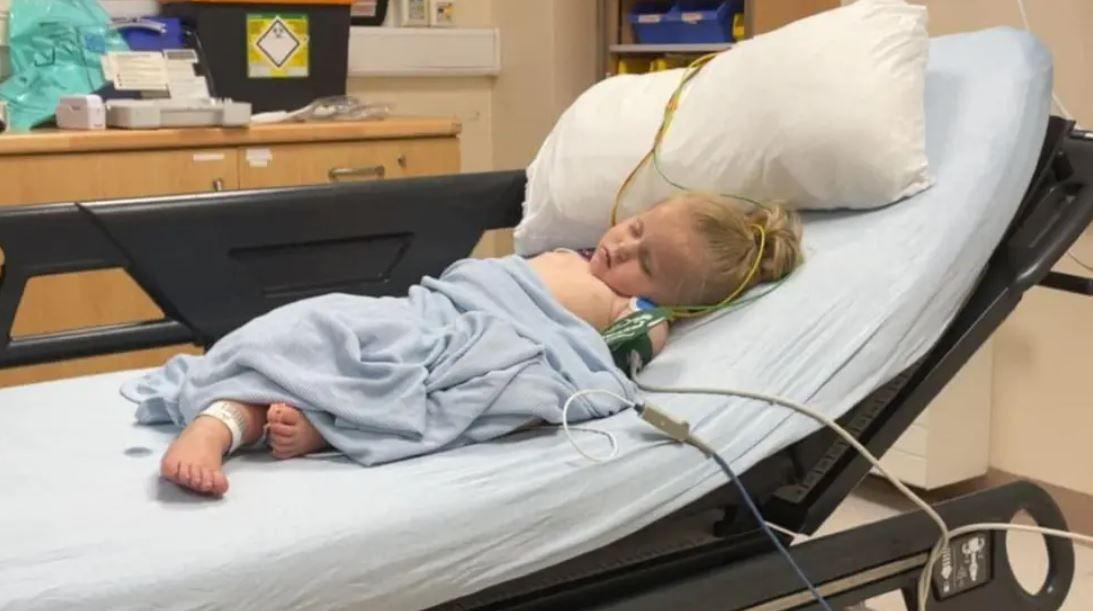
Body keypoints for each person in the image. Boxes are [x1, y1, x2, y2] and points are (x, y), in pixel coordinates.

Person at [158, 192, 804, 495]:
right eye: (635, 228)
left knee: (443, 393)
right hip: (426, 312)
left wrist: (651, 318)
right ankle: (226, 416)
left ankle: (269, 427)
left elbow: (605, 363)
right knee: (315, 325)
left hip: (477, 343)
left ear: (672, 300)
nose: (623, 247)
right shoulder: (577, 255)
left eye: (648, 263)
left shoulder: (633, 310)